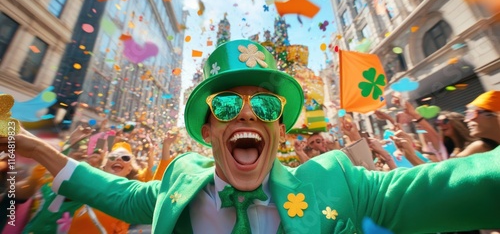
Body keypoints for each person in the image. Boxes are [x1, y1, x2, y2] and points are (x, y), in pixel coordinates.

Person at [2, 40, 500, 233]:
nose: (247, 114)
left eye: (264, 105)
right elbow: (118, 192)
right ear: (208, 128)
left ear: (280, 127)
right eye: (225, 105)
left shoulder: (339, 180)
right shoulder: (178, 178)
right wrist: (32, 147)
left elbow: (457, 184)